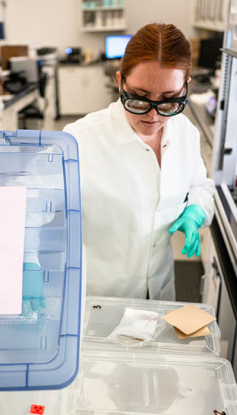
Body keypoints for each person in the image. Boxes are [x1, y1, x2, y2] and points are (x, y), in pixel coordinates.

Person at [63, 23, 215, 301]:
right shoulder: (78, 141)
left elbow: (200, 186)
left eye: (169, 101)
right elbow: (34, 213)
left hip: (159, 290)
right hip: (99, 297)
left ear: (185, 86)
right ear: (120, 81)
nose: (153, 116)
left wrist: (196, 211)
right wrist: (30, 266)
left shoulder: (185, 133)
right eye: (139, 98)